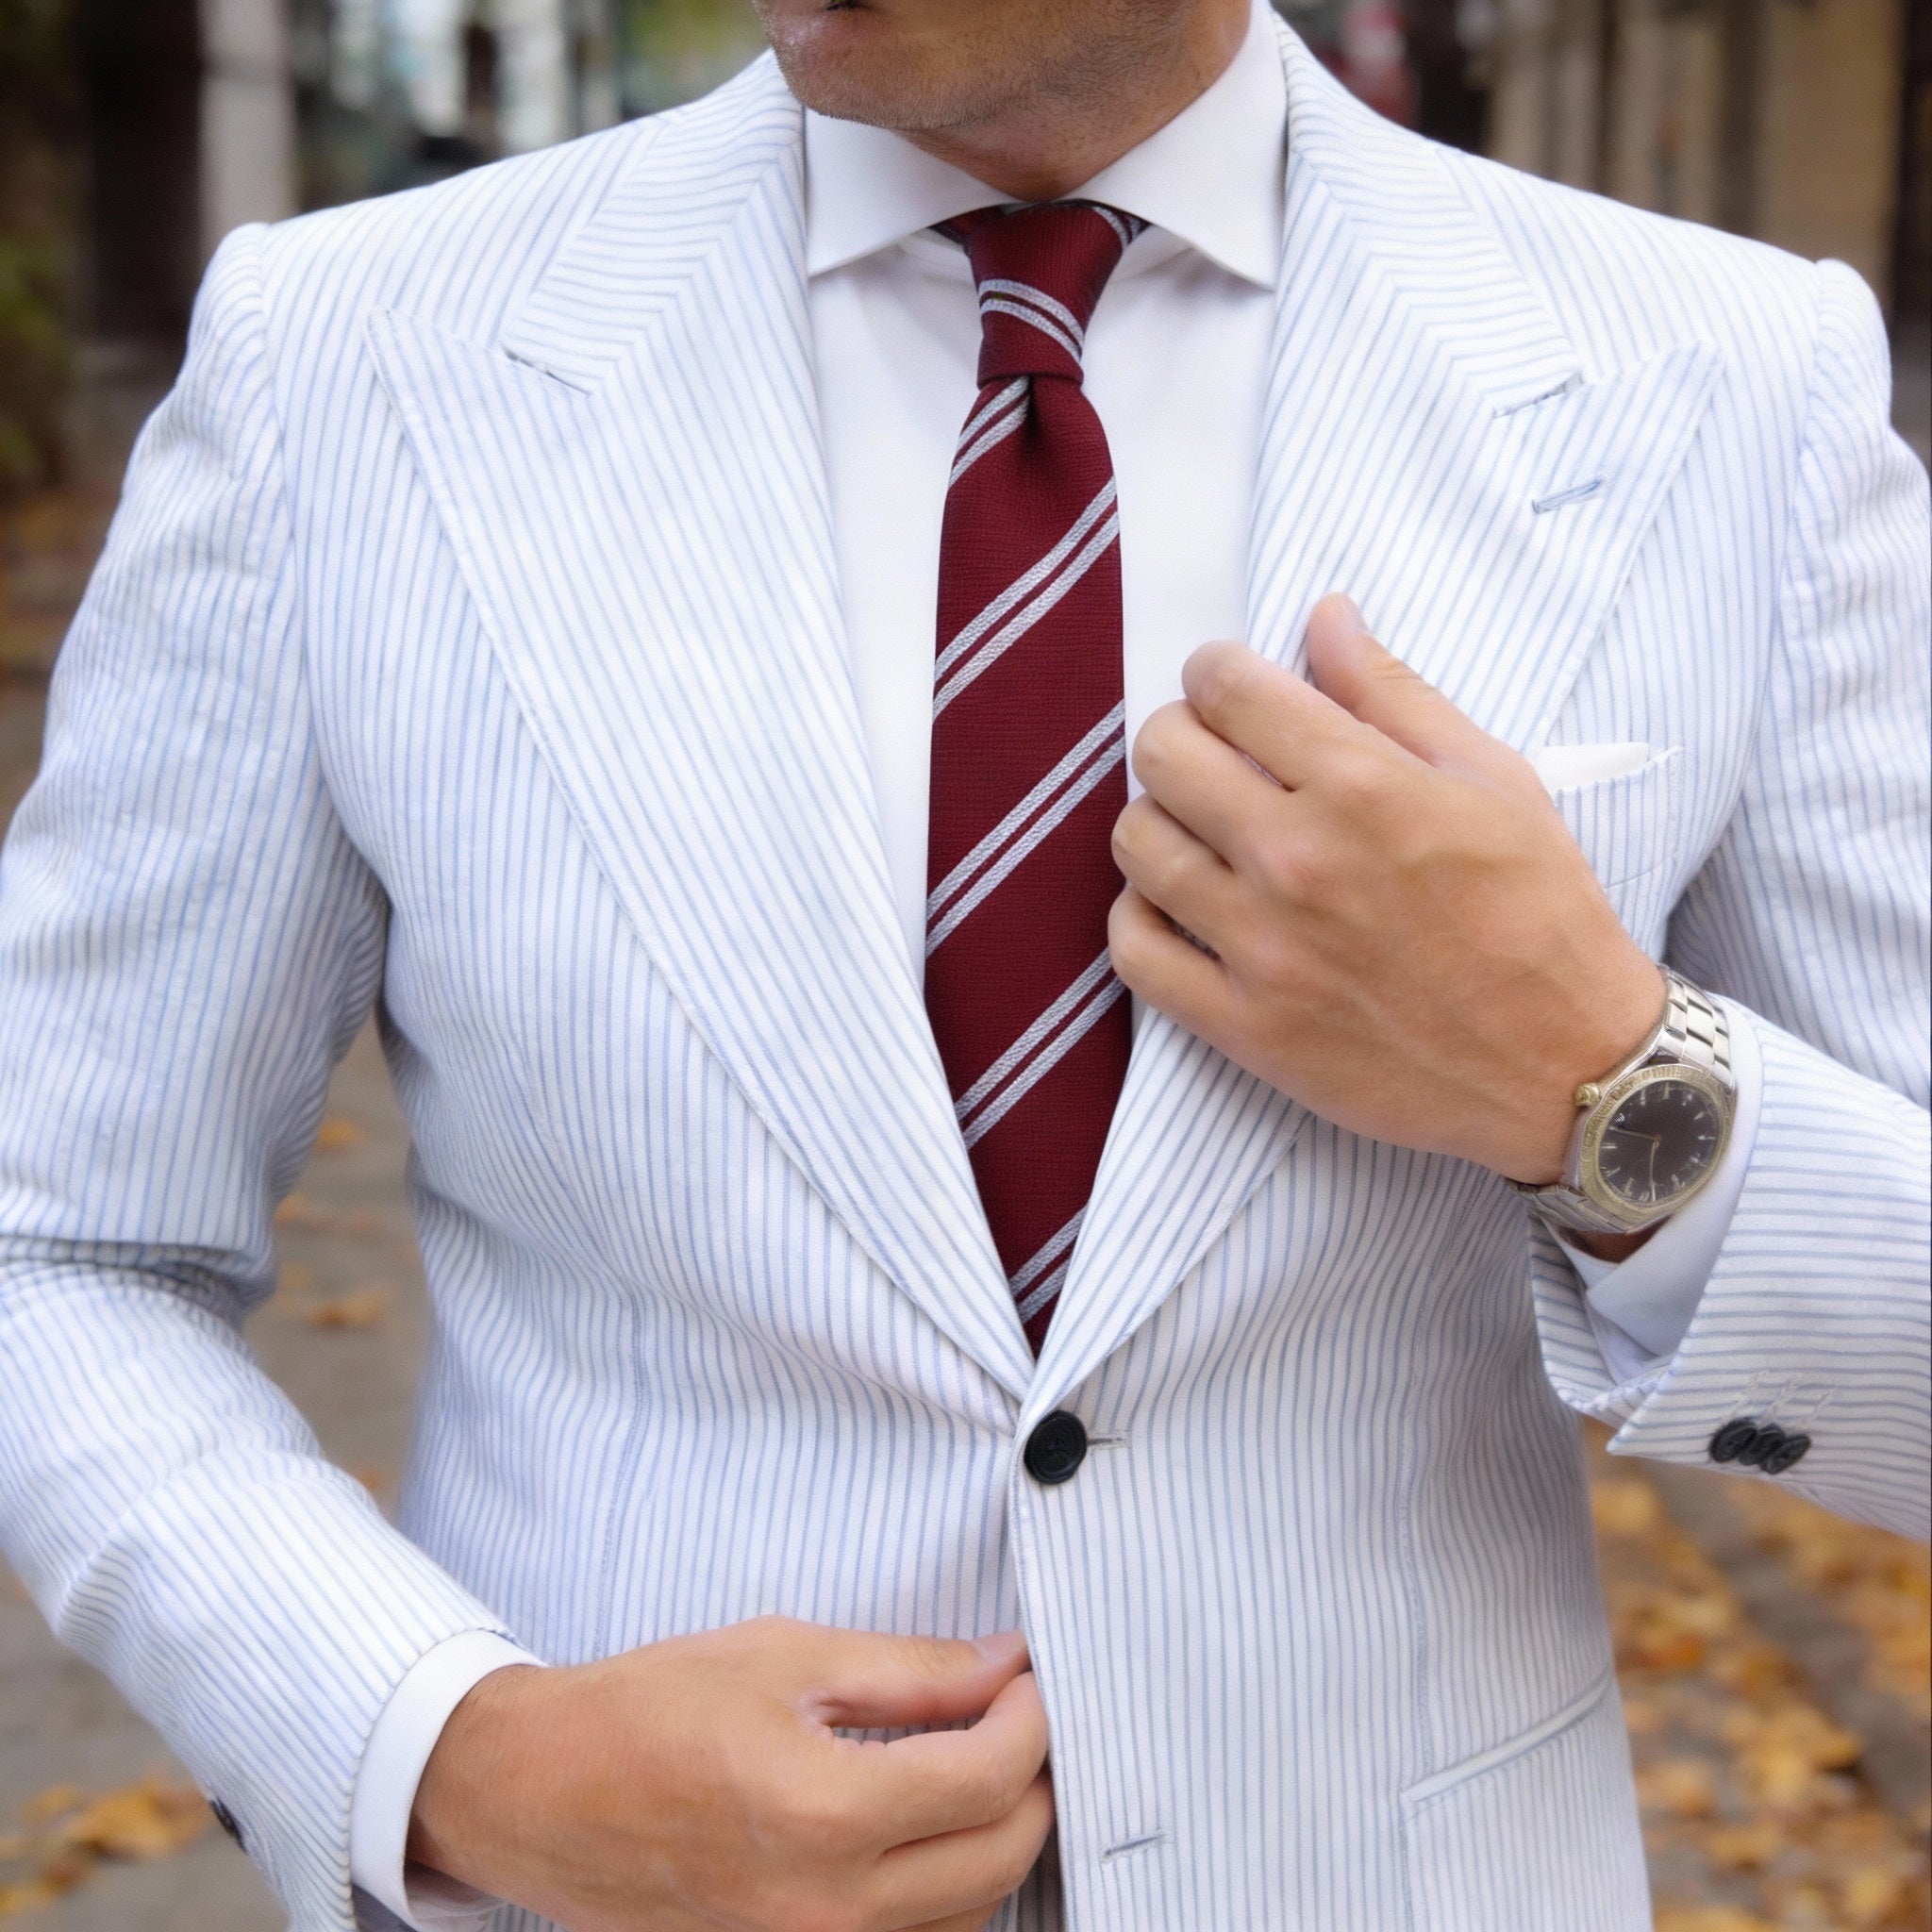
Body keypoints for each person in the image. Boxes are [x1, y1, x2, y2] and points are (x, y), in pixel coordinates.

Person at [0, 0, 1924, 1924]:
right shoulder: (342, 362)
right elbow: (59, 1244)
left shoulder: (1730, 386)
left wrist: (1600, 1081)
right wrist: (447, 1750)